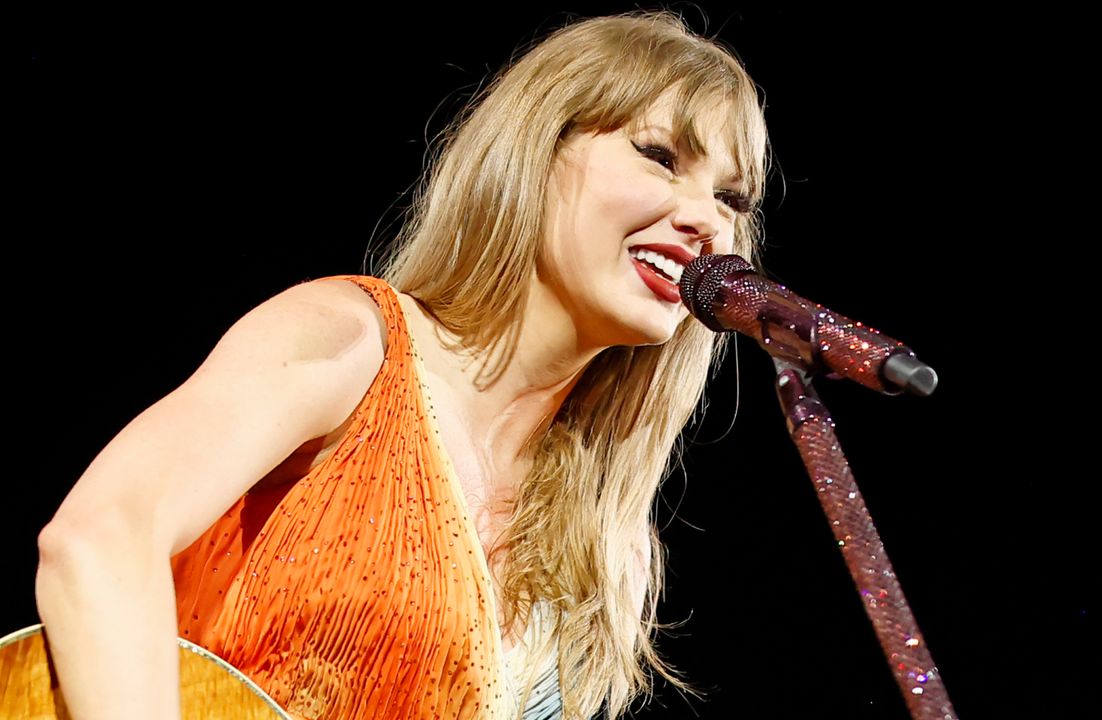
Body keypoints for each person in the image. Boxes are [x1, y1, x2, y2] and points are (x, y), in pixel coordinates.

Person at [34, 10, 768, 720]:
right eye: (660, 157)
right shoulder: (351, 343)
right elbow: (100, 539)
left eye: (731, 197)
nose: (706, 218)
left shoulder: (614, 549)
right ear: (536, 151)